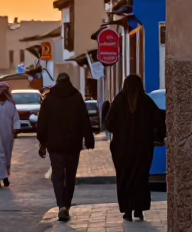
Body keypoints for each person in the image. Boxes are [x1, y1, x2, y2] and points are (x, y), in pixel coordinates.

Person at [36, 72, 94, 223]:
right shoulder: (76, 97)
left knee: (57, 175)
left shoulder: (49, 99)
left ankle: (61, 204)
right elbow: (84, 120)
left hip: (54, 145)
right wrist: (89, 139)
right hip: (73, 145)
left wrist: (42, 143)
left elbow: (41, 124)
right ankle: (66, 205)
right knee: (70, 176)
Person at [104, 74, 162, 222]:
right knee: (141, 178)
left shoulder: (119, 101)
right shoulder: (146, 101)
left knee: (124, 178)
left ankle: (127, 210)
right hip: (143, 150)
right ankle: (139, 210)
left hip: (122, 150)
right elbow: (159, 121)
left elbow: (109, 123)